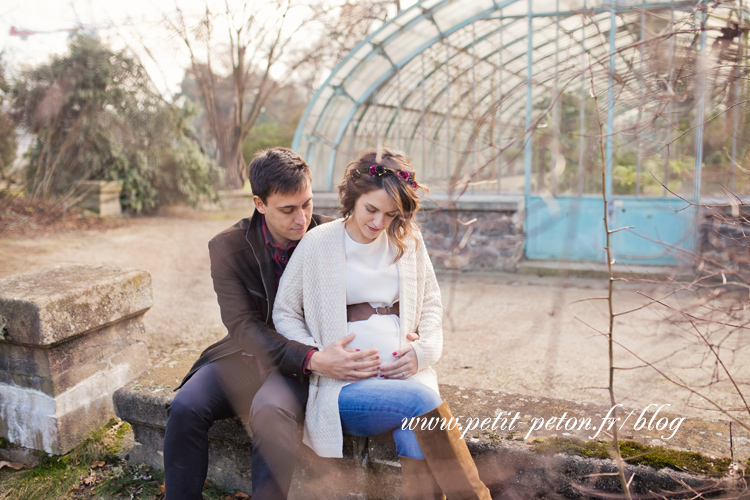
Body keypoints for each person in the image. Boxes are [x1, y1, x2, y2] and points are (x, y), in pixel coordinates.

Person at [162, 147, 384, 500]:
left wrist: (399, 324)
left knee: (269, 411)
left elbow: (378, 285)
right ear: (259, 203)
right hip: (250, 353)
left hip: (299, 367)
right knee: (186, 406)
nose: (302, 218)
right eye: (288, 209)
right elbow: (243, 328)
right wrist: (313, 358)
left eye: (307, 204)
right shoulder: (226, 247)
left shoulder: (333, 235)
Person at [273, 147, 492, 500]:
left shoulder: (408, 240)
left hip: (407, 377)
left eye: (390, 215)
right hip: (346, 389)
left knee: (416, 429)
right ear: (352, 198)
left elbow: (432, 304)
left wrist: (423, 353)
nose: (378, 222)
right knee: (421, 403)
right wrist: (321, 357)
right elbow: (284, 313)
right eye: (370, 210)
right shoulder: (318, 243)